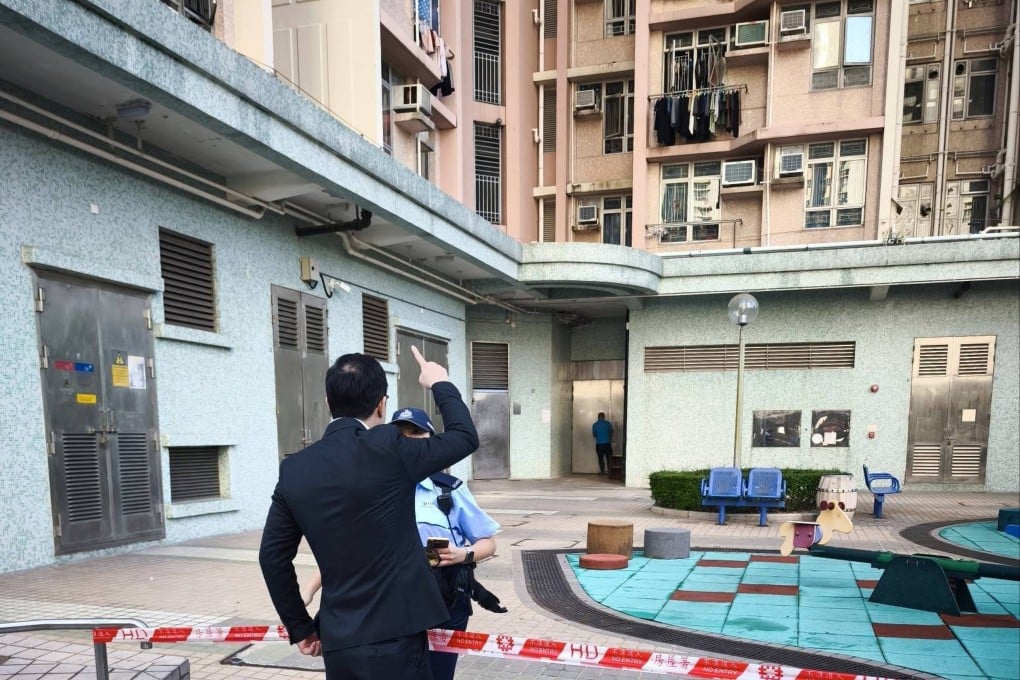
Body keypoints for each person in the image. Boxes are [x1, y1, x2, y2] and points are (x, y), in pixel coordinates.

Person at [259, 346, 479, 680]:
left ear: (330, 403)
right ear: (381, 403)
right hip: (398, 638)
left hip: (339, 639)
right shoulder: (390, 447)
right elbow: (464, 437)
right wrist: (439, 382)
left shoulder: (295, 469)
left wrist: (300, 627)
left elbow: (272, 557)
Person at [302, 406, 502, 680]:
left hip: (444, 602)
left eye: (417, 432)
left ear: (433, 440)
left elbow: (488, 543)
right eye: (402, 433)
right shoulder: (372, 490)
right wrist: (310, 590)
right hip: (391, 606)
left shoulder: (449, 489)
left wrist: (461, 554)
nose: (409, 438)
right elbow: (349, 553)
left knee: (439, 675)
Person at [591, 412, 614, 476]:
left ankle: (602, 472)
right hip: (607, 444)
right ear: (604, 417)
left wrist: (599, 437)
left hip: (599, 444)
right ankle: (610, 472)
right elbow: (611, 431)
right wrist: (609, 438)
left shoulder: (595, 425)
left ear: (598, 417)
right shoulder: (608, 423)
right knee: (609, 458)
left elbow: (594, 434)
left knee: (600, 458)